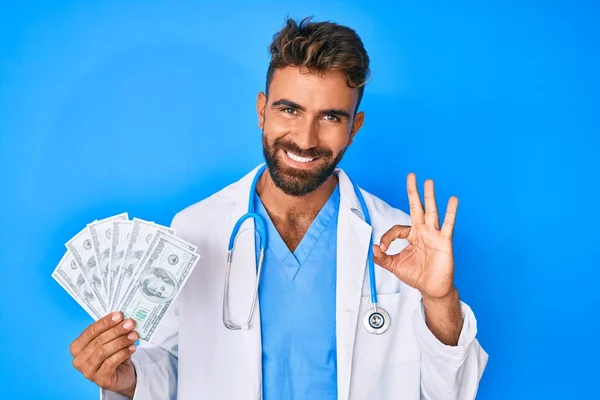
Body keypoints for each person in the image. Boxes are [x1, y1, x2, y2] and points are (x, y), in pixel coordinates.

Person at [69, 17, 488, 399]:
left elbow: (452, 391)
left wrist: (440, 299)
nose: (305, 139)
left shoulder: (400, 238)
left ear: (353, 128)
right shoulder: (198, 227)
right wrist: (128, 380)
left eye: (330, 117)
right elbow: (176, 367)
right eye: (289, 110)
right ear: (261, 111)